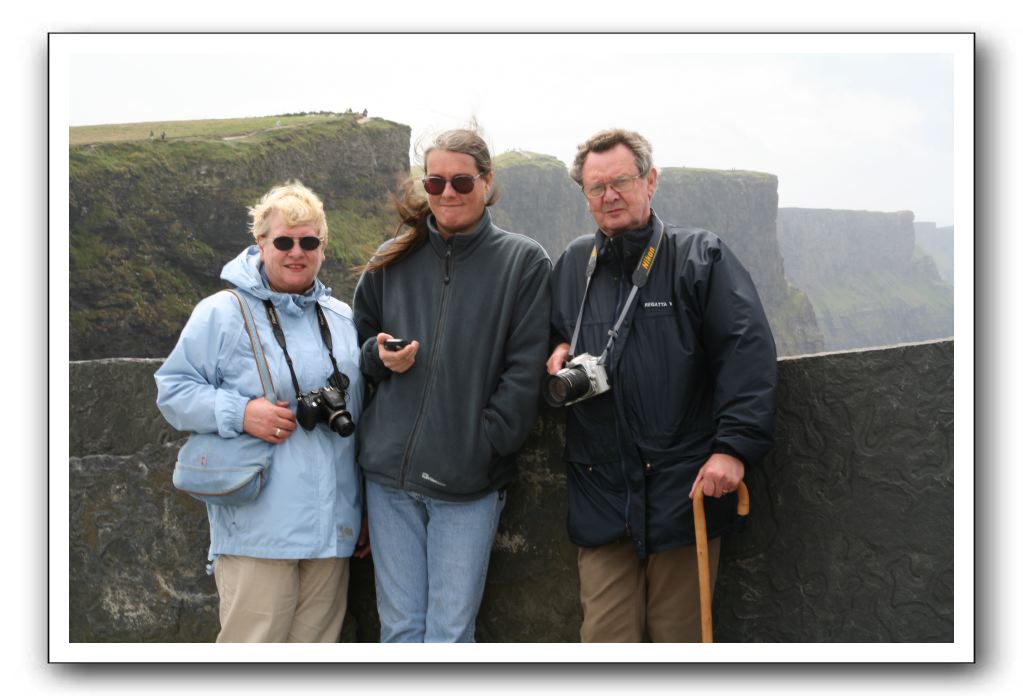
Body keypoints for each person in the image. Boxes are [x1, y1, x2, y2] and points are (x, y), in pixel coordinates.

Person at [546, 129, 777, 642]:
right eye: (595, 187)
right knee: (604, 644)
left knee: (680, 644)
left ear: (650, 181)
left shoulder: (700, 257)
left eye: (622, 181)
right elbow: (551, 331)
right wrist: (557, 345)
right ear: (585, 196)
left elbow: (747, 352)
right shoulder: (573, 265)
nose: (609, 196)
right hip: (601, 491)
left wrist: (734, 449)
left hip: (683, 489)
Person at [353, 127, 551, 642]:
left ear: (486, 182)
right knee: (399, 630)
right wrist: (377, 357)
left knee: (450, 633)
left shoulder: (523, 262)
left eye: (461, 181)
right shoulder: (390, 259)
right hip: (388, 479)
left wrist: (484, 444)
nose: (447, 194)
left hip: (467, 485)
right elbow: (354, 356)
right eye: (435, 182)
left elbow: (525, 369)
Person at [155, 181, 367, 642]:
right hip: (257, 529)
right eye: (283, 241)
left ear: (323, 248)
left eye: (309, 242)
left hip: (331, 532)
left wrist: (364, 511)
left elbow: (362, 416)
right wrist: (241, 412)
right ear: (260, 243)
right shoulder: (223, 313)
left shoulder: (342, 319)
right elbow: (172, 390)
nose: (297, 252)